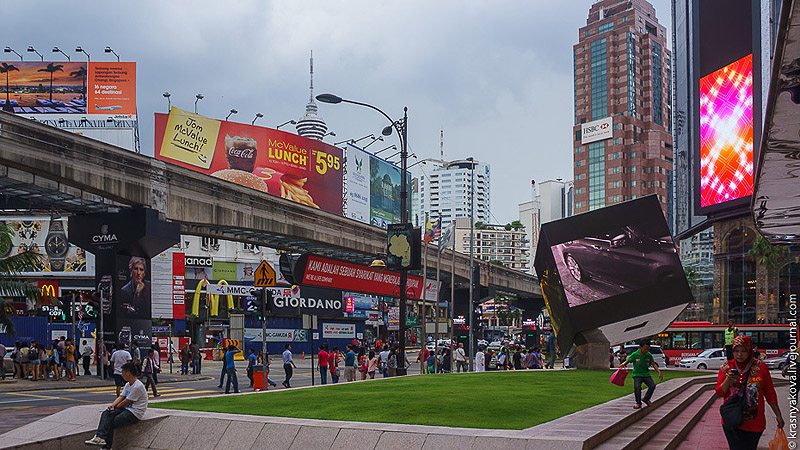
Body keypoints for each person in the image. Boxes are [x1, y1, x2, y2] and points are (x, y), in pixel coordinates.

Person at [716, 334, 784, 449]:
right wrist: (728, 380)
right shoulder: (726, 367)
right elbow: (720, 392)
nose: (739, 355)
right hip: (732, 420)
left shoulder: (760, 367)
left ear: (749, 350)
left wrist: (778, 415)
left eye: (743, 351)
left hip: (754, 422)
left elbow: (769, 393)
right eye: (736, 351)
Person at [84, 362, 147, 449]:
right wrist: (112, 406)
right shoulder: (128, 384)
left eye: (122, 372)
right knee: (106, 413)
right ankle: (99, 438)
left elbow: (125, 402)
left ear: (128, 373)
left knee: (113, 421)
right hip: (126, 409)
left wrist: (115, 407)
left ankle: (106, 446)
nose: (121, 374)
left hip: (135, 413)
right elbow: (121, 397)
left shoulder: (138, 386)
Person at [619, 339, 663, 409]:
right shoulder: (635, 354)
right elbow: (627, 361)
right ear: (640, 347)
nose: (646, 351)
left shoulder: (648, 355)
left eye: (648, 349)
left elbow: (653, 364)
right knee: (637, 387)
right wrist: (623, 365)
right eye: (645, 349)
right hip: (637, 374)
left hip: (646, 374)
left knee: (652, 386)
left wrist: (659, 372)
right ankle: (638, 403)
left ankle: (646, 399)